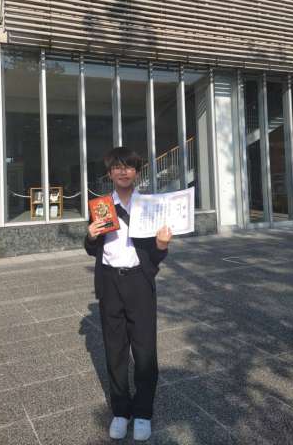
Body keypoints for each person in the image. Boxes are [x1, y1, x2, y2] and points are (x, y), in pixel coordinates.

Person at [85, 147, 172, 441]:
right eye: (117, 167)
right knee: (115, 351)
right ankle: (121, 412)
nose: (123, 172)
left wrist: (161, 245)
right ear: (110, 173)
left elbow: (154, 256)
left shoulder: (148, 206)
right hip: (109, 282)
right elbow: (91, 249)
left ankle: (143, 412)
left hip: (139, 283)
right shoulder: (100, 206)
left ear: (137, 172)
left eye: (129, 167)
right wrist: (91, 236)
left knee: (145, 351)